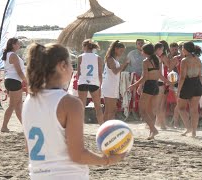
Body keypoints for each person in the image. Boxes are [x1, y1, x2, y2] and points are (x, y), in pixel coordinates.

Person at [22, 43, 125, 179]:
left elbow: (28, 148)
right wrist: (107, 160)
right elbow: (77, 155)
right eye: (71, 65)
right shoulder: (70, 103)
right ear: (62, 66)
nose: (72, 69)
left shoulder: (29, 101)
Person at [128, 43, 171, 140]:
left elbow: (145, 77)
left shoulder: (146, 61)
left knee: (142, 111)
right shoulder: (157, 60)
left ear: (145, 51)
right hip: (156, 85)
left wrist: (134, 85)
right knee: (151, 111)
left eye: (142, 50)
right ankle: (152, 132)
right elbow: (160, 75)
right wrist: (168, 82)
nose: (141, 52)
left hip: (149, 85)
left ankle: (153, 129)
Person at [177, 41, 202, 137]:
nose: (182, 50)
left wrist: (179, 90)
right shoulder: (198, 59)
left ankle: (188, 127)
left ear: (186, 49)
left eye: (183, 48)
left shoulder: (184, 60)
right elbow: (200, 75)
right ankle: (194, 132)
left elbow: (182, 77)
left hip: (188, 84)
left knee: (181, 108)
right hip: (197, 83)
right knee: (194, 110)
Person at [1, 37, 27, 132]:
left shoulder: (8, 55)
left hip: (10, 80)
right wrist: (27, 81)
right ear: (13, 45)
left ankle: (25, 127)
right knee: (13, 105)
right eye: (18, 43)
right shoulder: (13, 55)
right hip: (14, 81)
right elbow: (19, 71)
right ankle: (4, 126)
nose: (19, 45)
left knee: (18, 105)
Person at [77, 39, 104, 125]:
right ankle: (102, 126)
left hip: (83, 81)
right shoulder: (98, 58)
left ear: (86, 46)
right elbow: (100, 73)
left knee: (81, 107)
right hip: (94, 82)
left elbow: (79, 72)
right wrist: (100, 85)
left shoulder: (80, 57)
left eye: (83, 46)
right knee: (98, 107)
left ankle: (79, 127)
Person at [102, 40, 129, 121]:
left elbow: (117, 71)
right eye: (121, 51)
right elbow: (115, 71)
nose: (122, 53)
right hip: (109, 86)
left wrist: (125, 64)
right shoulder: (110, 59)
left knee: (110, 110)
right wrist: (124, 63)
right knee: (111, 110)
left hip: (111, 86)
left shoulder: (114, 59)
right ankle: (107, 128)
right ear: (115, 49)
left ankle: (106, 128)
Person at [155, 41, 170, 130]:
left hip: (159, 81)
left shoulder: (154, 58)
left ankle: (158, 122)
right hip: (161, 81)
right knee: (160, 104)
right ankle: (162, 123)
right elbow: (169, 66)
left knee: (157, 104)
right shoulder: (161, 58)